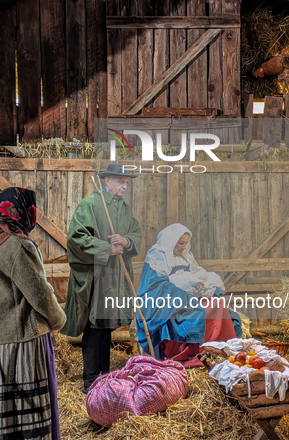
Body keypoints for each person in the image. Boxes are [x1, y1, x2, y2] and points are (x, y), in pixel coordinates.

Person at [0, 187, 66, 440]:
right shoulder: (17, 244)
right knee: (26, 413)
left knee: (0, 411)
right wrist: (58, 319)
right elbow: (40, 293)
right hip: (22, 339)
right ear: (24, 210)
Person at [61, 163, 142, 393]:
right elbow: (76, 239)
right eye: (119, 182)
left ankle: (104, 379)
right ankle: (90, 382)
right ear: (106, 181)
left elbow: (135, 232)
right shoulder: (90, 205)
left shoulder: (124, 209)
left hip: (115, 280)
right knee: (94, 328)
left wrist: (126, 242)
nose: (124, 187)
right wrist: (106, 248)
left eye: (126, 183)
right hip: (97, 278)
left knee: (106, 328)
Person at [136, 223, 242, 368]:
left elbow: (197, 274)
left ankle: (215, 349)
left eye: (185, 243)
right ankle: (189, 353)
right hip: (167, 301)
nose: (184, 247)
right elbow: (154, 286)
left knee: (217, 303)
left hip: (189, 295)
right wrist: (184, 292)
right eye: (181, 243)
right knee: (197, 309)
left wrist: (203, 285)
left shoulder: (186, 256)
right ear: (172, 240)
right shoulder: (157, 255)